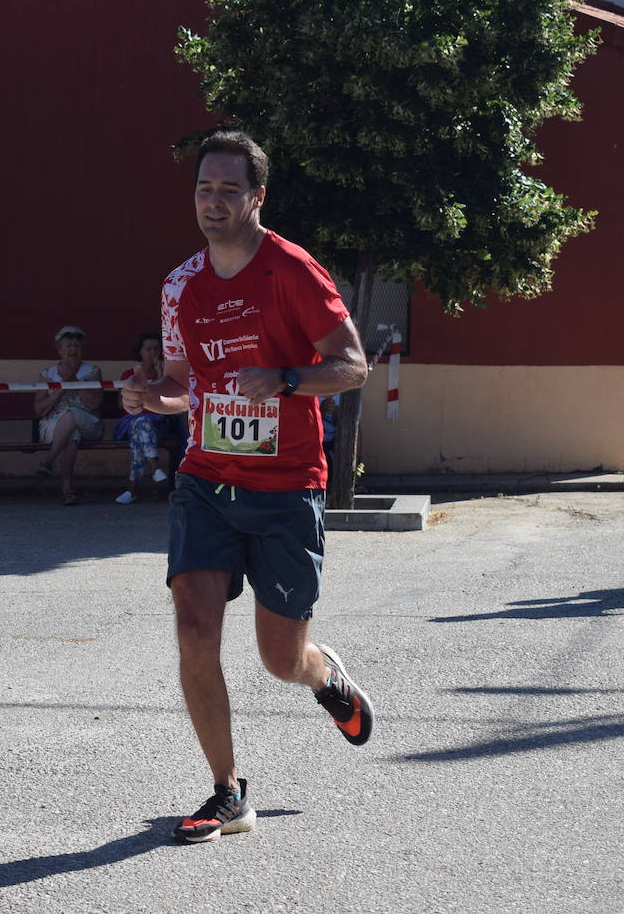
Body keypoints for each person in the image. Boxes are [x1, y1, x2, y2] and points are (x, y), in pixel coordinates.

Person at [121, 130, 373, 844]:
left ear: (257, 197)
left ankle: (323, 676)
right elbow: (181, 387)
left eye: (230, 190)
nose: (214, 202)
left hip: (288, 486)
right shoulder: (179, 285)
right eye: (205, 188)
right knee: (194, 629)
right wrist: (151, 397)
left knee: (278, 658)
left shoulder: (293, 271)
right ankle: (227, 792)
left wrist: (287, 379)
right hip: (206, 478)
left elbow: (352, 365)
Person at [33, 325, 104, 505]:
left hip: (89, 423)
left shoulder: (92, 372)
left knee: (72, 414)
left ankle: (48, 461)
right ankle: (67, 489)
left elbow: (95, 404)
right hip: (52, 425)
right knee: (71, 433)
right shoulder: (47, 374)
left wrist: (72, 382)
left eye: (77, 346)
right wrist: (56, 395)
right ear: (59, 350)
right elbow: (39, 410)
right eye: (69, 346)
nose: (73, 350)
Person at [114, 331, 171, 504]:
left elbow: (168, 400)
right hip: (131, 422)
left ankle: (133, 489)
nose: (153, 353)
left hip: (158, 424)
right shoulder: (129, 374)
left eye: (156, 349)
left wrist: (161, 374)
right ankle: (155, 467)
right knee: (141, 422)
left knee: (140, 434)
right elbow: (120, 404)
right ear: (140, 352)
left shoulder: (166, 373)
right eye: (148, 349)